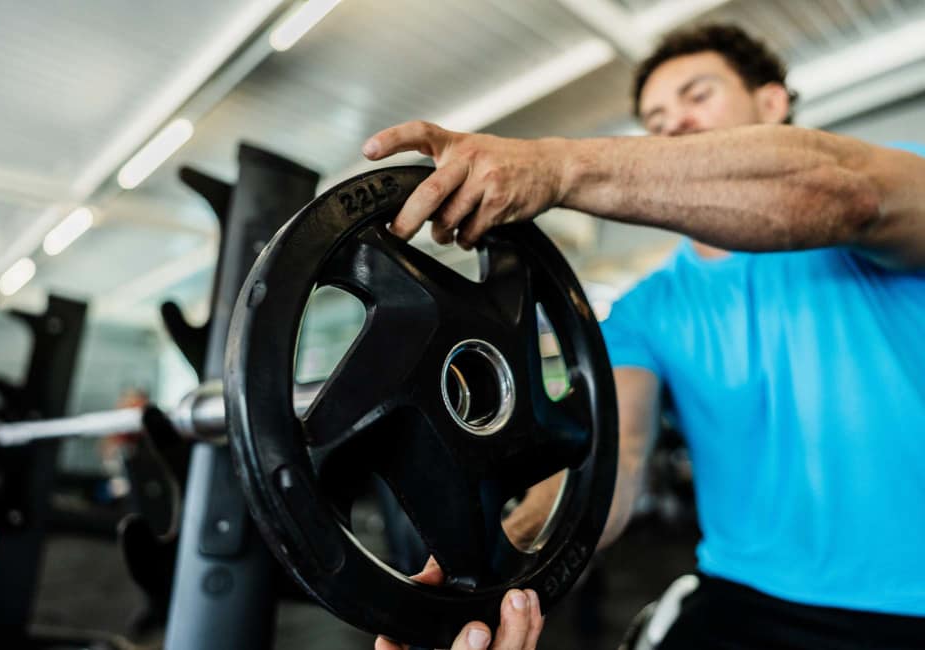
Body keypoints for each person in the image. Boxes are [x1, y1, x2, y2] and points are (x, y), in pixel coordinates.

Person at [363, 23, 925, 650]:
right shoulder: (647, 309)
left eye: (697, 95)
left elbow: (844, 193)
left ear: (772, 102)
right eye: (656, 117)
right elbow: (613, 460)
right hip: (744, 596)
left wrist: (558, 166)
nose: (674, 123)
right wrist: (501, 565)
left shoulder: (887, 200)